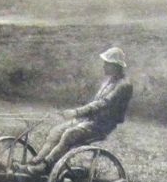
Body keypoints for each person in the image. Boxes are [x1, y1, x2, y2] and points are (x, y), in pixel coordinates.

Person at [20, 47, 133, 175]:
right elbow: (96, 103)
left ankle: (45, 166)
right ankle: (36, 161)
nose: (104, 66)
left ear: (115, 65)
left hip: (103, 125)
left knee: (70, 134)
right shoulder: (109, 81)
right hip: (90, 120)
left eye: (106, 63)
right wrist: (78, 114)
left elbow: (103, 103)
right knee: (56, 131)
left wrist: (76, 112)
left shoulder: (124, 85)